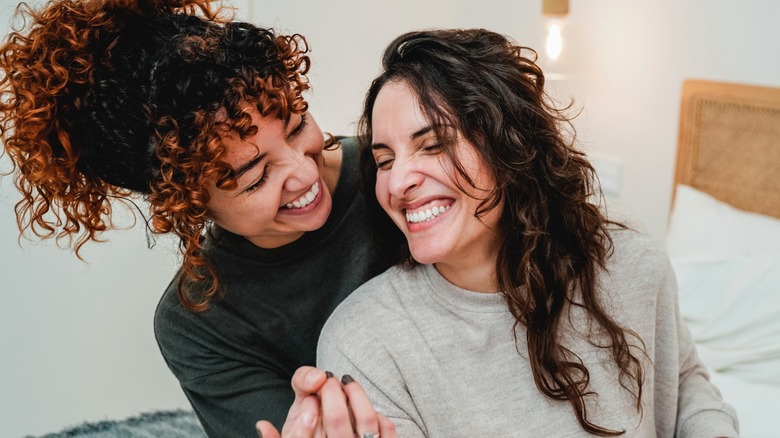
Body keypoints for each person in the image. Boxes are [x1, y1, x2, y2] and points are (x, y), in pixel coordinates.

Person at [317, 28, 740, 437]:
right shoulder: (365, 344)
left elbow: (683, 382)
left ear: (509, 146)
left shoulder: (632, 263)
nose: (397, 183)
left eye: (433, 145)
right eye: (385, 160)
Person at [0, 0, 395, 437]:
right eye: (256, 176)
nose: (304, 173)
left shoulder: (398, 171)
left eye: (298, 126)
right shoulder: (200, 322)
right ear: (188, 203)